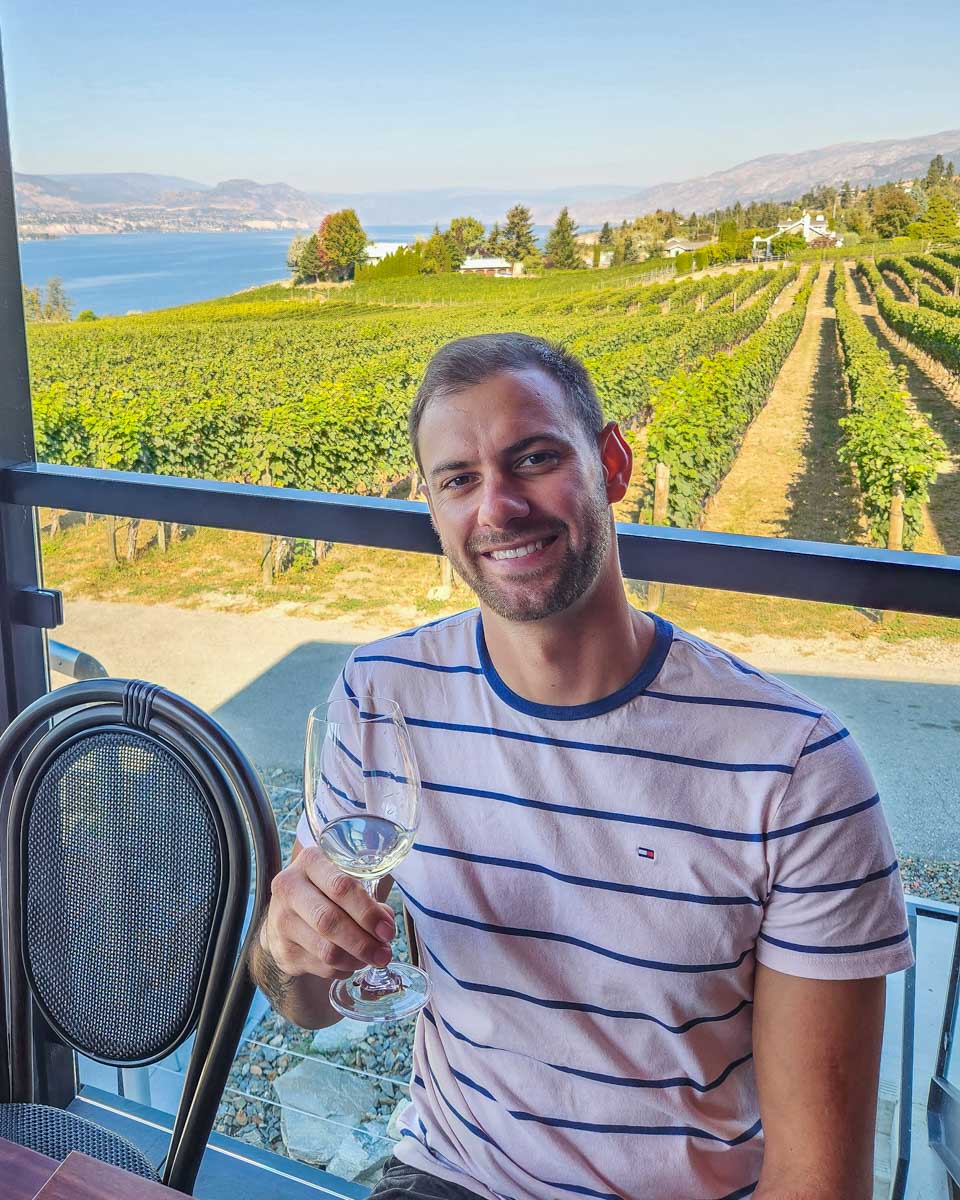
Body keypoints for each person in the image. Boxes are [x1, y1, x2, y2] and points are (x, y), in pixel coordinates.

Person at [251, 333, 913, 1200]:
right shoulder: (383, 695)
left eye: (534, 459)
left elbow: (818, 1183)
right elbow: (296, 1001)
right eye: (459, 480)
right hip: (449, 1178)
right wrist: (289, 948)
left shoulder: (797, 769)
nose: (499, 507)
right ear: (435, 511)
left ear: (612, 463)